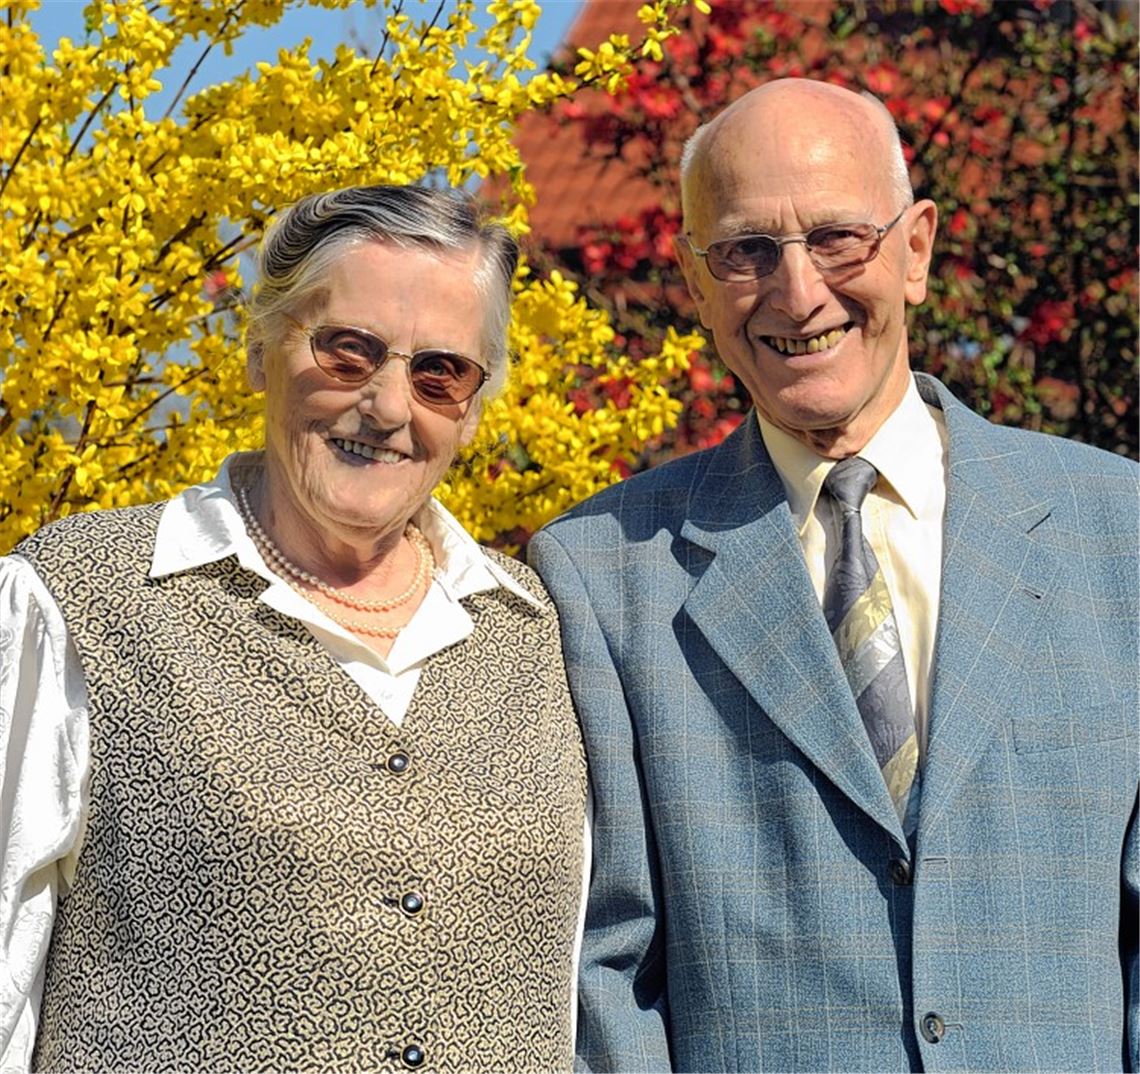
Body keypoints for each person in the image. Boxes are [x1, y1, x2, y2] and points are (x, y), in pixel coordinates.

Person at [529, 79, 1138, 1072]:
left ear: (916, 250)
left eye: (838, 238)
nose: (798, 291)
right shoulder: (603, 575)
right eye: (746, 251)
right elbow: (603, 968)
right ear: (695, 283)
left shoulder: (1119, 537)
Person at [0, 184, 586, 1072]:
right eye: (348, 352)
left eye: (439, 372)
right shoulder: (79, 600)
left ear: (471, 407)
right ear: (259, 348)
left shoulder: (538, 630)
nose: (389, 406)